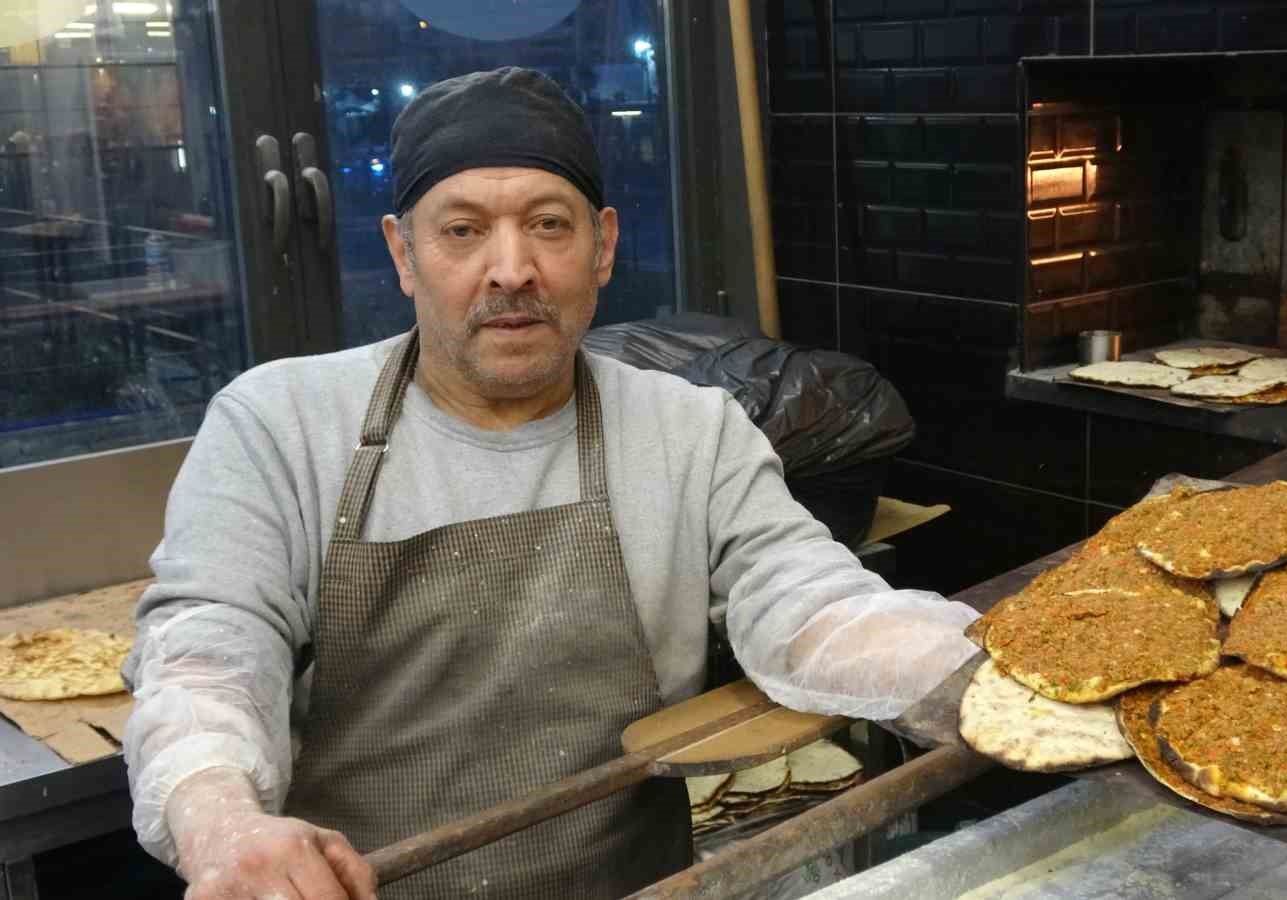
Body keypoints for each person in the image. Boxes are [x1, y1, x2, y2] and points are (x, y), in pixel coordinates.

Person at [122, 67, 980, 900]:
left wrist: (983, 676)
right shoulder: (282, 423)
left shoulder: (690, 430)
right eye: (462, 231)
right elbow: (206, 658)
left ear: (601, 246)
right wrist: (222, 822)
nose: (511, 270)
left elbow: (815, 607)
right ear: (403, 253)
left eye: (548, 225)